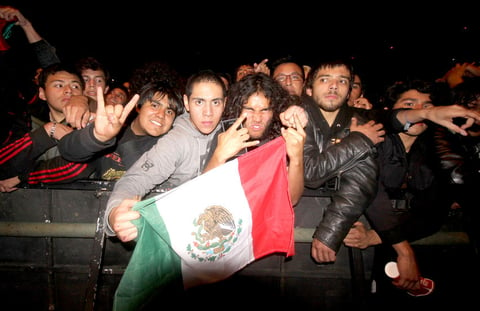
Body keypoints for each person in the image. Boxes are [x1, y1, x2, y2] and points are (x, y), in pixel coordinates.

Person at [343, 78, 454, 299]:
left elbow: (435, 210)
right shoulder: (375, 138)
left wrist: (377, 237)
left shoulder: (437, 150)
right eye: (410, 105)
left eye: (427, 106)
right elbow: (371, 189)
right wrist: (397, 247)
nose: (420, 112)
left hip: (413, 240)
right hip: (373, 240)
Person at [104, 69, 228, 242]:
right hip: (182, 235)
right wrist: (114, 214)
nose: (208, 112)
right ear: (186, 102)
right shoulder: (175, 141)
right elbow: (135, 180)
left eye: (215, 102)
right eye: (199, 102)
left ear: (225, 103)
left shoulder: (233, 129)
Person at [202, 72, 306, 205]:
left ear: (274, 110)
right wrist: (219, 156)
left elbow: (292, 200)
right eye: (250, 109)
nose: (257, 118)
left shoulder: (284, 138)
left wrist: (296, 158)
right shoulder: (226, 137)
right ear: (237, 108)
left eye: (264, 110)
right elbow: (203, 194)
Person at [0, 62, 91, 191]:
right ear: (42, 93)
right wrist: (47, 131)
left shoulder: (90, 124)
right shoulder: (26, 123)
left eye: (75, 86)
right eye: (59, 85)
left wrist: (24, 176)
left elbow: (79, 167)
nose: (69, 91)